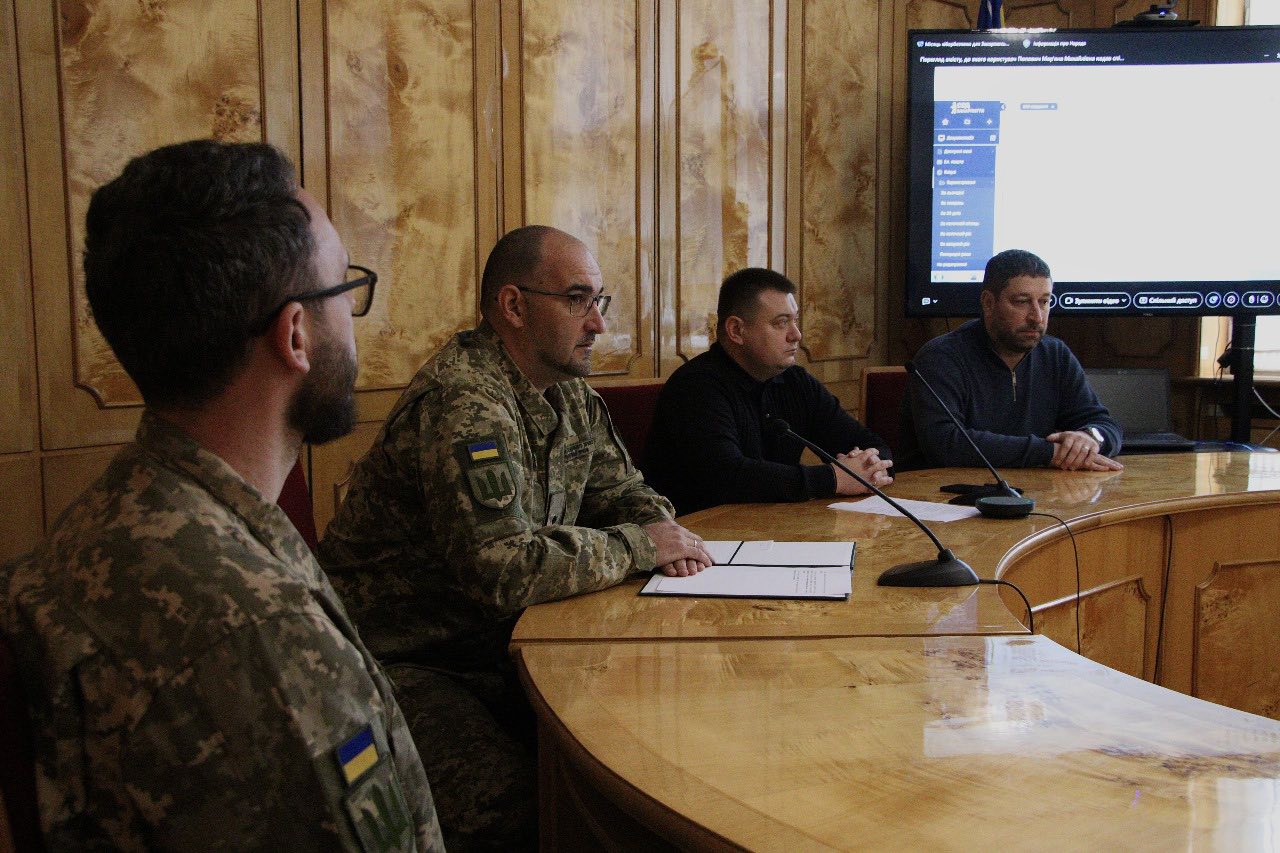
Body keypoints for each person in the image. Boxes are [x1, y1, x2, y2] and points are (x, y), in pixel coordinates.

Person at [0, 140, 444, 851]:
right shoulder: (258, 633)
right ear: (295, 334)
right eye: (343, 288)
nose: (353, 320)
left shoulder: (118, 510)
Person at [318, 224, 712, 849]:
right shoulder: (465, 401)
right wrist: (642, 547)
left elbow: (629, 495)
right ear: (513, 306)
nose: (597, 324)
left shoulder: (568, 393)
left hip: (508, 644)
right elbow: (500, 570)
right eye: (578, 300)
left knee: (660, 745)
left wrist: (662, 535)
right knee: (518, 809)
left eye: (599, 302)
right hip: (409, 660)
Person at [642, 267, 894, 516]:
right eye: (781, 323)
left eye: (795, 321)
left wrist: (869, 466)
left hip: (777, 526)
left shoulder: (796, 381)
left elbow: (873, 445)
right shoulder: (695, 387)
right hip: (701, 532)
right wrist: (835, 478)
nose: (796, 335)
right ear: (736, 330)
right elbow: (727, 477)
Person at [899, 248, 1124, 472]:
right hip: (944, 489)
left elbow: (1105, 424)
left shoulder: (1055, 355)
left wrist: (1089, 438)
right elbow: (945, 443)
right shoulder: (941, 357)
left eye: (1044, 302)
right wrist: (1049, 453)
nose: (1037, 317)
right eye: (1022, 301)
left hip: (1038, 487)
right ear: (988, 303)